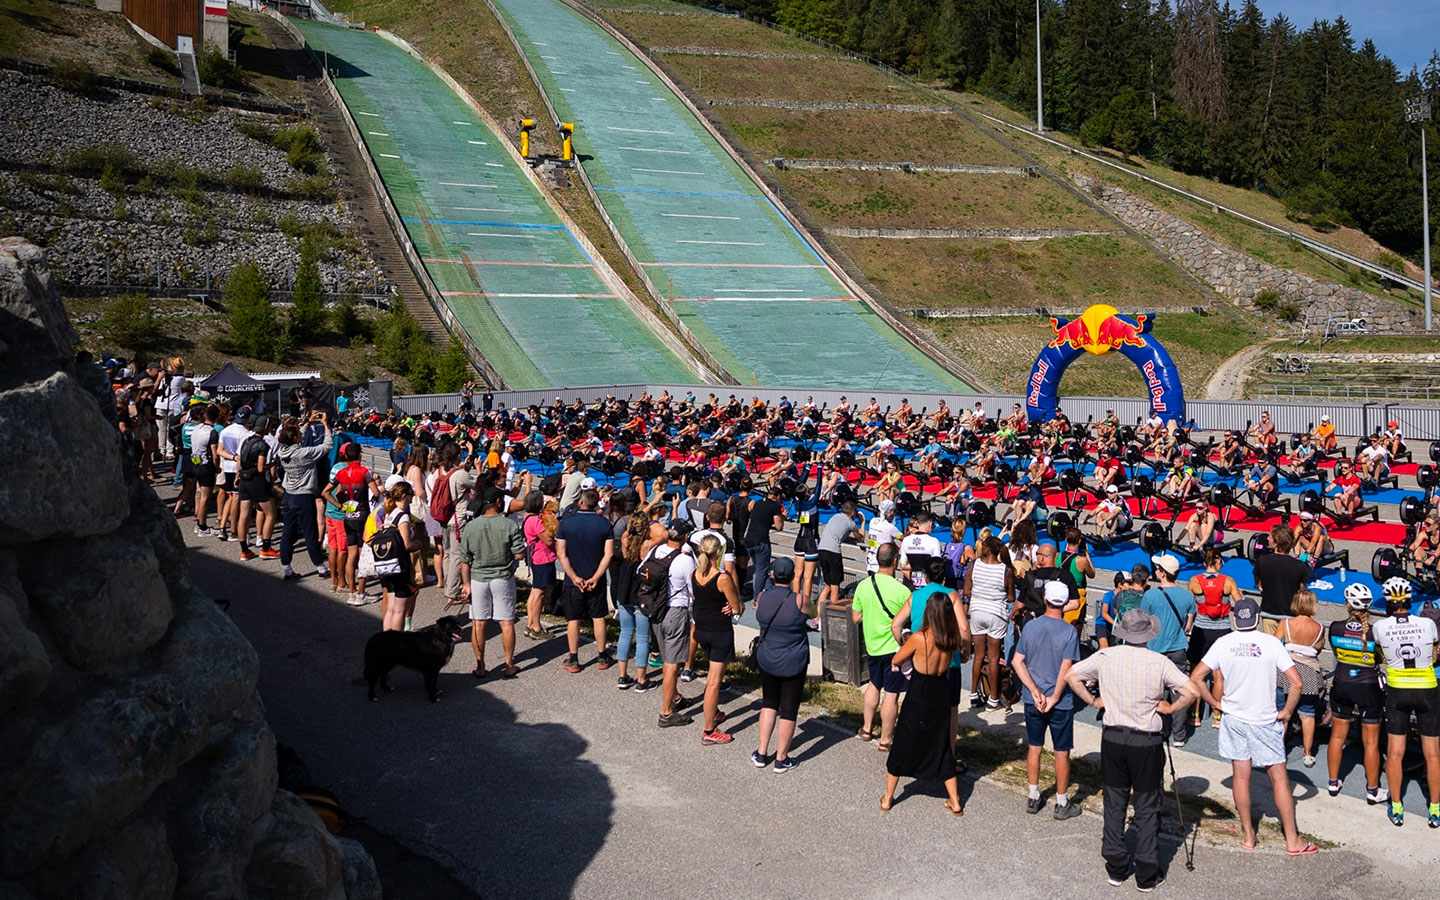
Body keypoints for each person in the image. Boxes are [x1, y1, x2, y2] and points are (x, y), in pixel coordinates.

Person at [1065, 610, 1198, 891]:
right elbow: (1192, 691)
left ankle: (1116, 865)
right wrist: (1171, 708)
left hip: (1113, 737)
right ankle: (1146, 872)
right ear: (1148, 634)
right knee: (1147, 805)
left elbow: (1071, 675)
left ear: (1123, 633)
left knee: (1115, 801)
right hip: (1146, 741)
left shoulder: (1106, 656)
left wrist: (1093, 700)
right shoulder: (1159, 662)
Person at [1189, 598, 1317, 854]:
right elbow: (1297, 683)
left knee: (1241, 776)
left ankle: (1248, 835)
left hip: (1234, 717)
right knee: (1278, 777)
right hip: (1264, 718)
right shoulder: (1270, 643)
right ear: (1258, 618)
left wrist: (1214, 703)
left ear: (1235, 619)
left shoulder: (1223, 643)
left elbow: (1197, 676)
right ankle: (1292, 839)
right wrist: (1287, 711)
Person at [881, 588, 966, 817]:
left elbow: (897, 659)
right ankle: (955, 801)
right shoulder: (951, 638)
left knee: (904, 741)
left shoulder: (920, 638)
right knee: (941, 744)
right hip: (941, 689)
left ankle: (888, 797)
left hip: (920, 691)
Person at [1372, 577, 1440, 827]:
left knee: (1395, 752)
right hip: (1426, 688)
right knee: (1432, 753)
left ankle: (1397, 806)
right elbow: (1434, 656)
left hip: (1398, 690)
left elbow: (1380, 656)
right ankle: (1435, 808)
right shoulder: (1427, 623)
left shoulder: (1380, 626)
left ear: (1389, 602)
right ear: (1410, 601)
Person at [1012, 581, 1082, 819]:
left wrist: (1033, 690)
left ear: (1045, 600)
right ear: (1066, 604)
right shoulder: (1069, 632)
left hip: (1034, 700)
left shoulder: (1031, 626)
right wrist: (1054, 697)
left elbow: (1017, 662)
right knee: (1061, 752)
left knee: (1035, 747)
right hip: (1060, 701)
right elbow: (1066, 669)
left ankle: (1033, 795)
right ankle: (1062, 802)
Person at [1327, 584, 1388, 804]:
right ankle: (1372, 791)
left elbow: (1336, 652)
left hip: (1342, 683)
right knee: (1371, 742)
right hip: (1368, 687)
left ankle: (1333, 782)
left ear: (1347, 604)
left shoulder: (1335, 627)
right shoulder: (1375, 631)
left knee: (1337, 736)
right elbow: (1381, 658)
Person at [459, 486, 526, 679]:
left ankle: (480, 666)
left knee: (478, 623)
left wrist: (466, 583)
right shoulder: (509, 525)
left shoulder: (471, 526)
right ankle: (509, 665)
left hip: (478, 578)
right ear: (498, 502)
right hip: (503, 577)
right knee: (506, 622)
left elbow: (465, 559)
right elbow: (519, 554)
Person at [753, 557, 809, 771]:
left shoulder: (762, 597)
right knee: (788, 709)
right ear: (793, 576)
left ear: (772, 575)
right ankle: (781, 758)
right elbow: (812, 613)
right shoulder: (800, 600)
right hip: (793, 660)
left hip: (768, 657)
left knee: (769, 703)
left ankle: (761, 752)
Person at [852, 542, 911, 748]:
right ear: (895, 561)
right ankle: (886, 739)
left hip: (873, 646)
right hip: (894, 648)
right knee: (891, 694)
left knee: (874, 685)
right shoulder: (902, 590)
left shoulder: (863, 585)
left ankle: (867, 728)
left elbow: (855, 617)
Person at [555, 488, 615, 673]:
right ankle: (602, 655)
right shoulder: (604, 524)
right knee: (598, 617)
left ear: (581, 502)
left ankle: (573, 658)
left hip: (573, 579)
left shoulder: (566, 523)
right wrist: (596, 577)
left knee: (573, 618)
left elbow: (561, 553)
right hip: (595, 578)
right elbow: (608, 554)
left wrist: (573, 576)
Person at [691, 534, 743, 745]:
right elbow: (737, 607)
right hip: (719, 631)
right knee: (714, 681)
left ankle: (713, 711)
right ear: (718, 553)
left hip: (702, 628)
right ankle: (709, 729)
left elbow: (697, 597)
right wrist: (733, 606)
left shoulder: (695, 574)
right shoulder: (722, 578)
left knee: (711, 676)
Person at [1140, 553, 1197, 746]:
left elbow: (1143, 624)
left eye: (1158, 568)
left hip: (1155, 649)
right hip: (1178, 648)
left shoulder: (1150, 595)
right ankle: (1179, 735)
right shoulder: (1186, 595)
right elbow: (1188, 625)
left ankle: (1159, 730)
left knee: (1155, 691)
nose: (1155, 570)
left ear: (1163, 573)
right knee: (1179, 691)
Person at [651, 520, 699, 727]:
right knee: (672, 664)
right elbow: (693, 590)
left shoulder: (655, 551)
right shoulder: (684, 560)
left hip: (655, 610)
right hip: (675, 611)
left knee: (666, 658)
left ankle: (675, 696)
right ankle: (666, 712)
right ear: (685, 537)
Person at [274, 412, 332, 582]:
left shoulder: (282, 451)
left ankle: (286, 566)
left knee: (288, 531)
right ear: (294, 438)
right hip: (303, 496)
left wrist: (307, 424)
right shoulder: (304, 454)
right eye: (299, 434)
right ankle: (320, 566)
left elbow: (294, 439)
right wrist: (325, 425)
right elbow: (327, 446)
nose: (301, 435)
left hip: (289, 495)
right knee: (309, 532)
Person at [1186, 549, 1240, 728]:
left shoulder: (1194, 580)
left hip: (1201, 629)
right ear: (1219, 562)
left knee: (1196, 673)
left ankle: (1194, 715)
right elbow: (1240, 603)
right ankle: (1217, 715)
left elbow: (1190, 606)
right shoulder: (1228, 581)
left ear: (1204, 563)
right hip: (1222, 630)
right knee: (1219, 675)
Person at [965, 536, 1016, 710]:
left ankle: (973, 694)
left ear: (985, 548)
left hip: (977, 611)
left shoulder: (975, 565)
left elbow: (967, 590)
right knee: (994, 658)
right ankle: (993, 698)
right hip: (996, 613)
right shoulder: (1006, 570)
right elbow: (1011, 597)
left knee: (978, 656)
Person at [1278, 589, 1326, 767]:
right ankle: (1307, 753)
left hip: (1286, 670)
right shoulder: (1319, 628)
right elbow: (1318, 649)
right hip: (1309, 673)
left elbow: (1275, 644)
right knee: (1307, 715)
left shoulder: (1286, 623)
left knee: (1282, 711)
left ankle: (1278, 748)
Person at [612, 510, 656, 692]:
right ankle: (641, 678)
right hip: (640, 593)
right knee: (643, 637)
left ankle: (622, 675)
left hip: (624, 590)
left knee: (625, 633)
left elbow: (627, 534)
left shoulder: (625, 540)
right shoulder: (647, 545)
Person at [375, 477, 421, 632]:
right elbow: (407, 544)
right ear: (404, 496)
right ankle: (396, 639)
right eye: (411, 494)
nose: (412, 497)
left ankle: (387, 637)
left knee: (390, 607)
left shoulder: (390, 514)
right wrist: (418, 544)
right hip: (400, 565)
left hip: (387, 564)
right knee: (400, 610)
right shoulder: (403, 516)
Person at [1252, 524, 1312, 635]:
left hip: (1269, 612)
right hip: (1291, 614)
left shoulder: (1262, 561)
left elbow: (1258, 581)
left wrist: (1261, 586)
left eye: (1270, 537)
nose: (1267, 539)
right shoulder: (1299, 566)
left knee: (1272, 644)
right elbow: (1301, 590)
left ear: (1276, 543)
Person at [521, 490, 558, 641]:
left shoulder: (527, 517)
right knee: (539, 593)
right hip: (543, 558)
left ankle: (530, 623)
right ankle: (536, 626)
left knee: (534, 591)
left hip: (536, 558)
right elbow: (547, 540)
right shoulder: (536, 520)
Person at [817, 501, 862, 617]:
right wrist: (862, 522)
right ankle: (833, 615)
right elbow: (861, 538)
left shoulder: (835, 517)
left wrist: (851, 538)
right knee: (835, 586)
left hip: (822, 549)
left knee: (827, 585)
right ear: (853, 512)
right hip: (833, 552)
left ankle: (817, 615)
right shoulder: (851, 524)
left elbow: (840, 535)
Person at [742, 482, 786, 599]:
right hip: (761, 540)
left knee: (762, 568)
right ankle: (757, 598)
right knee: (761, 571)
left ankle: (769, 592)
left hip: (748, 539)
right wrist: (783, 517)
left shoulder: (758, 503)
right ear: (778, 497)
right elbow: (779, 526)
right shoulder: (775, 505)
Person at [864, 499, 901, 574]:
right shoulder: (890, 528)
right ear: (890, 512)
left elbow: (884, 537)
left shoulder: (873, 521)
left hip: (870, 562)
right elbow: (904, 538)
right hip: (884, 566)